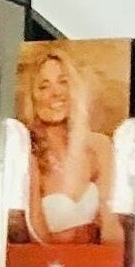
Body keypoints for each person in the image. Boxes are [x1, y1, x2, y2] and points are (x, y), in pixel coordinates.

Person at [19, 45, 119, 245]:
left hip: (98, 264)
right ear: (32, 97)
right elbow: (36, 232)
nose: (56, 93)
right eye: (44, 86)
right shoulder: (27, 154)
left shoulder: (100, 146)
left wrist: (112, 266)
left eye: (63, 82)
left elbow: (111, 222)